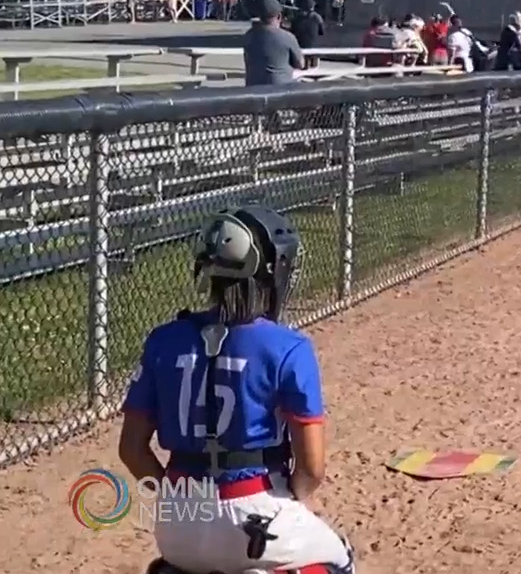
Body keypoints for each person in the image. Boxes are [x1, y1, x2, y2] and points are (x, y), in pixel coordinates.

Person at [118, 206, 355, 574]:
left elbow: (132, 450)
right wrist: (289, 501)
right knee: (340, 559)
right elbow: (311, 468)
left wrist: (175, 497)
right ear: (271, 273)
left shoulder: (163, 340)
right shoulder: (287, 346)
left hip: (179, 521)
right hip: (255, 512)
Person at [242, 0, 304, 86]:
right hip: (280, 88)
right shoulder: (287, 37)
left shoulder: (249, 35)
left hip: (253, 87)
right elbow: (300, 64)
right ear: (279, 16)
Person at [290, 1, 325, 69]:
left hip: (300, 44)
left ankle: (305, 67)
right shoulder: (317, 17)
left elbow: (292, 30)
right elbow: (322, 31)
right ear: (313, 7)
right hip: (313, 44)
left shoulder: (297, 17)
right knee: (314, 60)